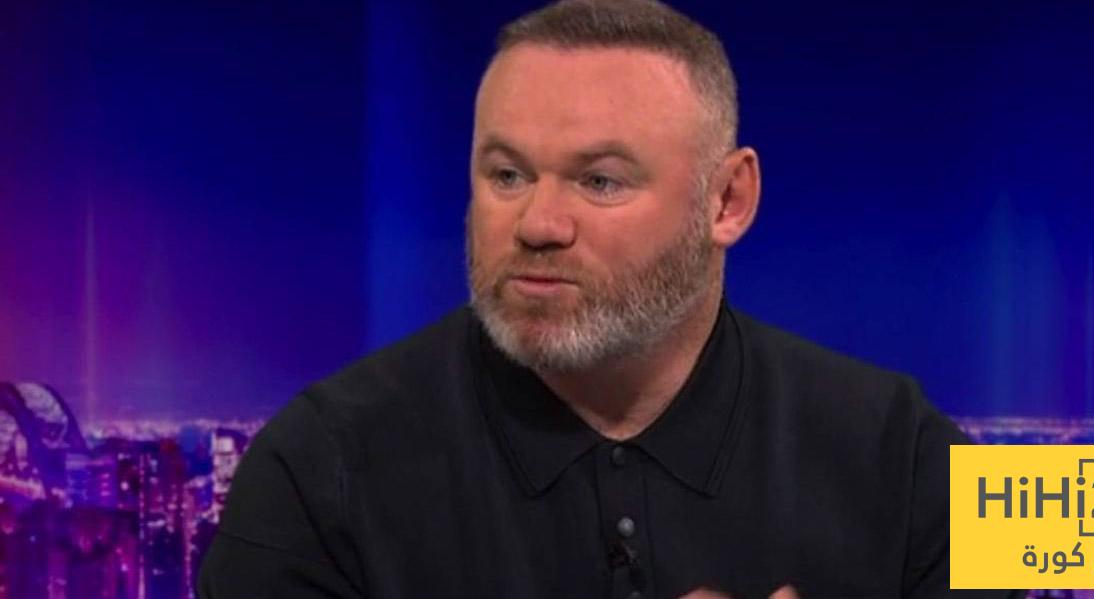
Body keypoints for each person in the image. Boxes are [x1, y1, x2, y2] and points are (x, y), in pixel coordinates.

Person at [199, 1, 1016, 597]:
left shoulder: (908, 449)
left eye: (599, 181)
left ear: (727, 200)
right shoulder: (317, 467)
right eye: (507, 174)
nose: (538, 224)